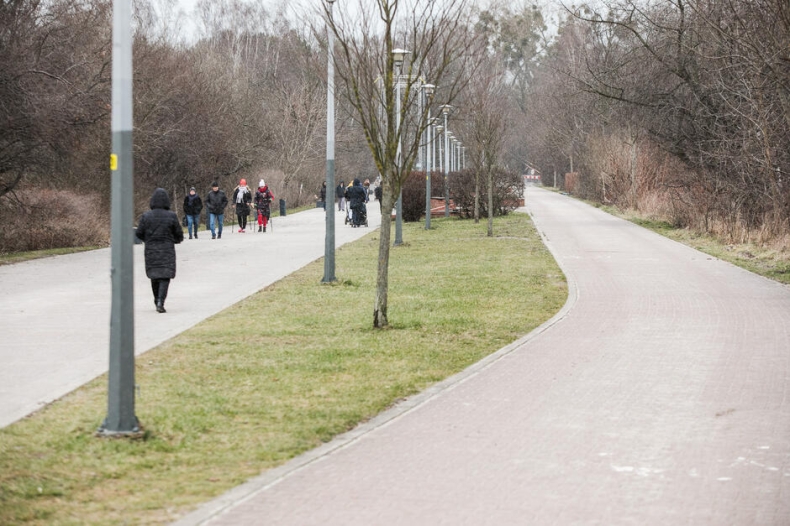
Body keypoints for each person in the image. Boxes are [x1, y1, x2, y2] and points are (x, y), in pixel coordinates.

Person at [135, 188, 184, 313]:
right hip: (167, 249)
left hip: (151, 250)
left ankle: (156, 299)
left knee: (154, 276)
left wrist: (147, 239)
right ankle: (160, 301)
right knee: (165, 276)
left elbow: (139, 233)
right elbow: (179, 234)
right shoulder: (171, 216)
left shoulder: (146, 216)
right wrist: (175, 240)